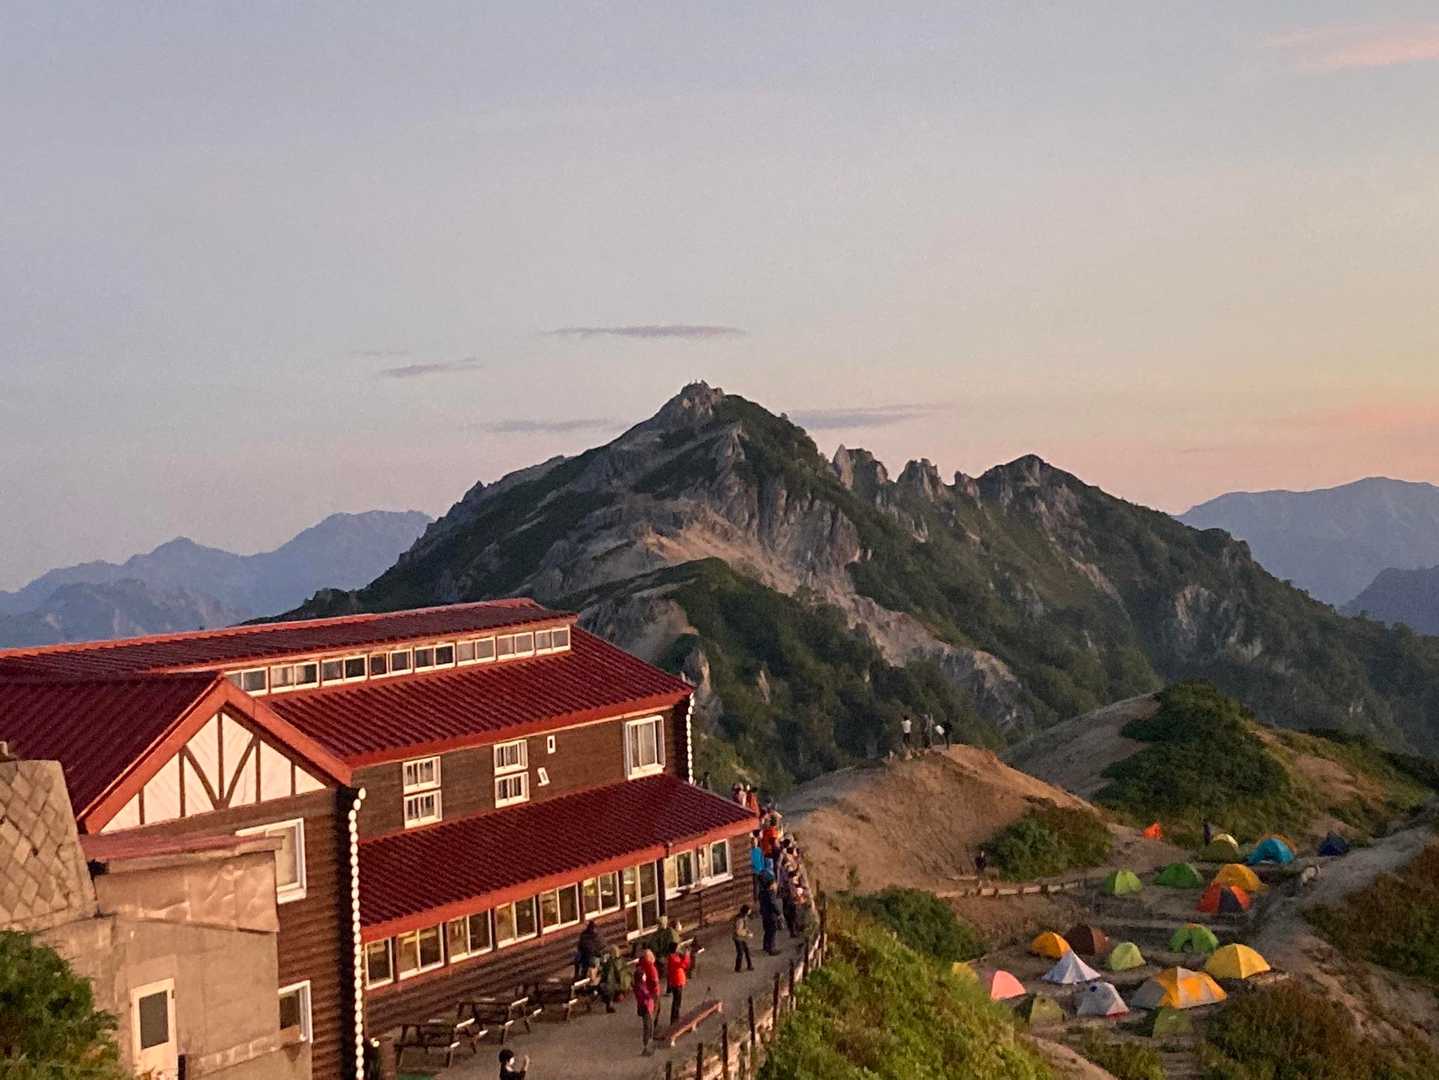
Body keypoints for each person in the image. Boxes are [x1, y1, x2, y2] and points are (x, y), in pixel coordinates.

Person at [634, 949, 660, 1056]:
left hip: (647, 1006)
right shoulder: (640, 987)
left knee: (650, 1027)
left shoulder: (642, 985)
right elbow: (646, 995)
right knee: (648, 1027)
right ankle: (646, 1047)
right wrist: (652, 994)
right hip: (646, 1007)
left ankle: (649, 1046)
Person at [665, 943, 692, 1027]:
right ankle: (674, 1020)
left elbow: (685, 965)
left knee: (677, 1001)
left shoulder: (675, 956)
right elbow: (683, 964)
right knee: (676, 1002)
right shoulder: (673, 958)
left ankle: (676, 1018)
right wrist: (687, 955)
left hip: (678, 981)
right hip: (676, 982)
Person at [599, 945, 631, 1011]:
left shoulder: (610, 962)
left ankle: (610, 1002)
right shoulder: (621, 961)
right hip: (620, 983)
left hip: (614, 983)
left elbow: (608, 975)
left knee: (608, 986)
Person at [759, 879, 781, 955]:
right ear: (771, 885)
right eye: (775, 884)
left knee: (767, 931)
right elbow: (773, 904)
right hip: (771, 915)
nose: (776, 886)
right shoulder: (771, 893)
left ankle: (766, 946)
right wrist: (778, 913)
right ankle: (772, 949)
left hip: (764, 915)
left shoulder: (762, 893)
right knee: (772, 931)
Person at [733, 903, 755, 971]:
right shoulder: (740, 920)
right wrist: (747, 934)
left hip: (742, 938)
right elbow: (738, 932)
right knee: (740, 953)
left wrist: (748, 931)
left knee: (746, 951)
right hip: (738, 938)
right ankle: (738, 967)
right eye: (749, 910)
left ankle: (749, 965)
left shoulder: (744, 917)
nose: (750, 911)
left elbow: (745, 927)